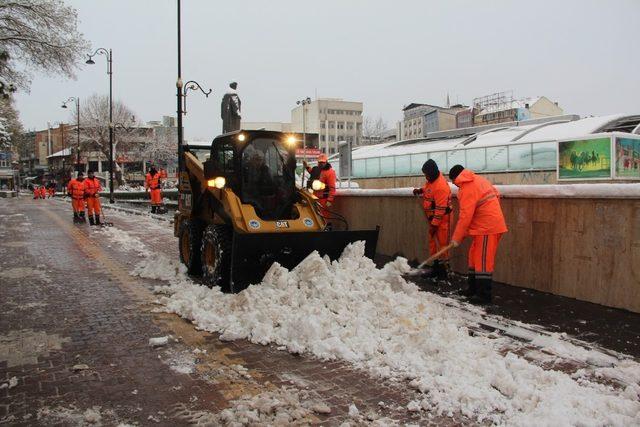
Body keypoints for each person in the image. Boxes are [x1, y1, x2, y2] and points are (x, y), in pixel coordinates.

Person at [448, 165, 508, 304]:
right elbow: (496, 195)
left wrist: (457, 238)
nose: (455, 185)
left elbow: (465, 216)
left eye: (453, 182)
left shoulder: (467, 188)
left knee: (483, 261)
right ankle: (473, 289)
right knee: (474, 257)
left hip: (488, 228)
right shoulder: (478, 180)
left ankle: (484, 295)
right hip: (484, 226)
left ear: (455, 179)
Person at [413, 159, 452, 280]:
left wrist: (435, 225)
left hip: (442, 220)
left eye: (426, 174)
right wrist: (421, 191)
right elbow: (429, 191)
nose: (426, 177)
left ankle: (443, 272)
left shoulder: (441, 186)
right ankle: (436, 268)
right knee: (433, 244)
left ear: (432, 172)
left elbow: (440, 208)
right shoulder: (431, 182)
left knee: (442, 245)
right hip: (433, 219)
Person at [303, 153, 336, 222]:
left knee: (324, 217)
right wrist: (306, 166)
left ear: (326, 162)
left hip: (324, 199)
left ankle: (326, 230)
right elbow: (312, 172)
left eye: (323, 162)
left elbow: (332, 188)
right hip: (315, 198)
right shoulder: (317, 169)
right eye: (320, 162)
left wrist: (329, 200)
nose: (321, 164)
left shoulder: (330, 172)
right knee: (316, 217)